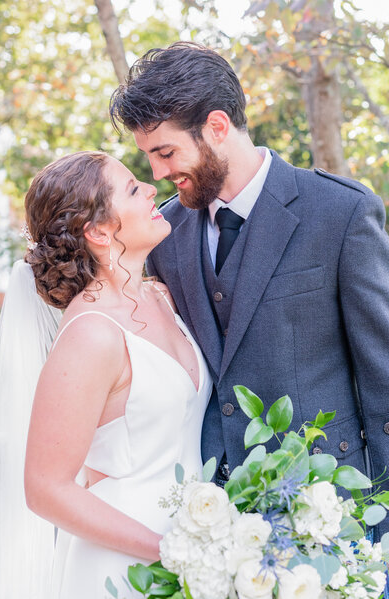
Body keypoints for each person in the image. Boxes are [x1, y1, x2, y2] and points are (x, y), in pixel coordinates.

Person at [109, 42, 389, 542]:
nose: (156, 173)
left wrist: (382, 528)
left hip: (329, 517)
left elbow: (383, 377)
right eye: (148, 157)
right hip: (207, 522)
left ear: (217, 127)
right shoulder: (164, 234)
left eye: (165, 152)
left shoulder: (340, 213)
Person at [0, 150, 212, 599]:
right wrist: (166, 550)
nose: (152, 187)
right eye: (132, 188)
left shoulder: (162, 296)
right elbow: (45, 489)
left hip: (194, 548)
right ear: (99, 232)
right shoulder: (90, 335)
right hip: (124, 565)